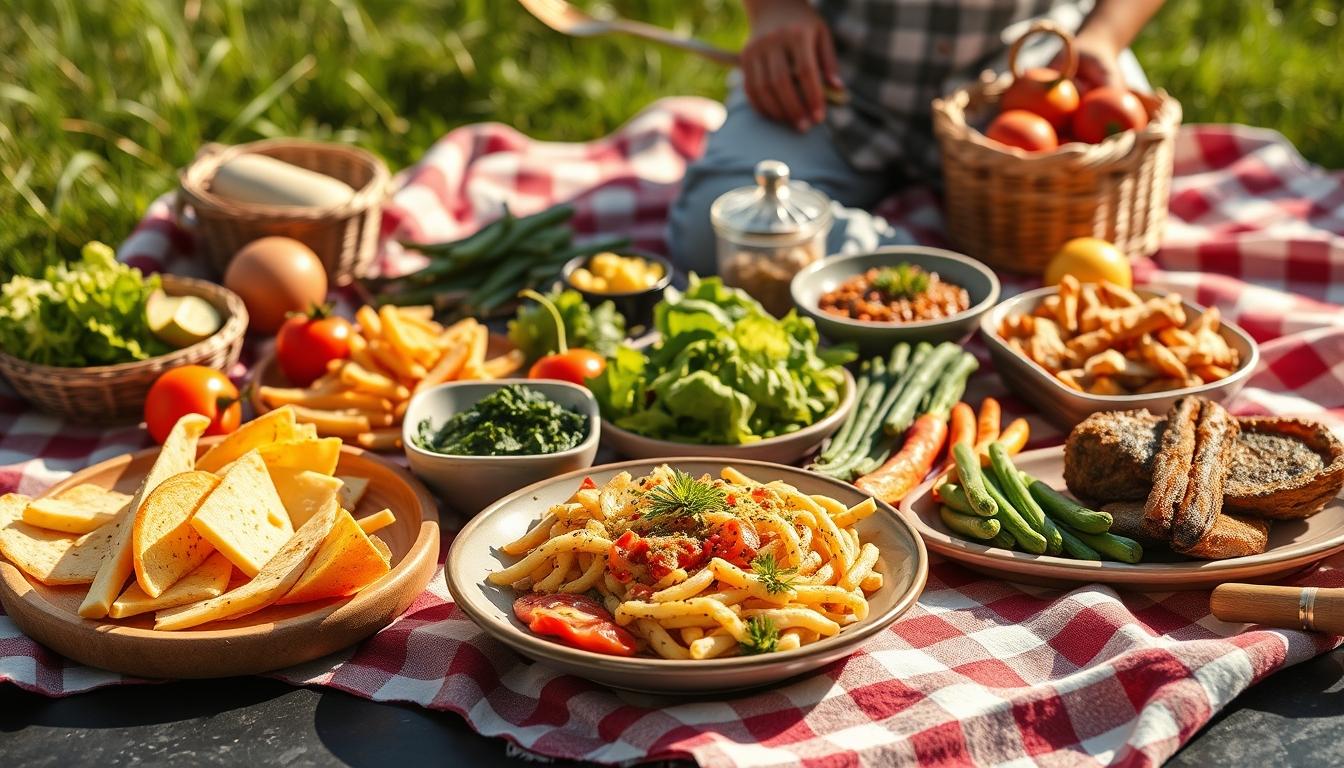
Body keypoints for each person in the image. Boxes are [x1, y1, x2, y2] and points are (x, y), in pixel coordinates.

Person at [667, 0, 1165, 276]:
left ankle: (908, 274)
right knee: (719, 225)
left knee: (1096, 256)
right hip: (832, 85)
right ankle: (942, 278)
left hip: (1030, 90)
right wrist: (774, 9)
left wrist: (1105, 33)